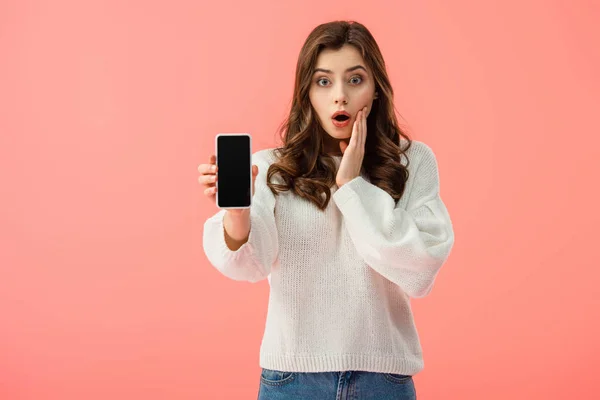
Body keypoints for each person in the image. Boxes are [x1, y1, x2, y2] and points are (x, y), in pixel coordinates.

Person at [198, 20, 454, 400]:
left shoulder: (412, 161)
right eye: (323, 81)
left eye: (355, 80)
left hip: (383, 379)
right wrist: (238, 213)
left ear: (376, 89)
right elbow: (249, 265)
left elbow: (419, 268)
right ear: (307, 92)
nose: (340, 97)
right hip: (292, 379)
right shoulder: (272, 167)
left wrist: (351, 186)